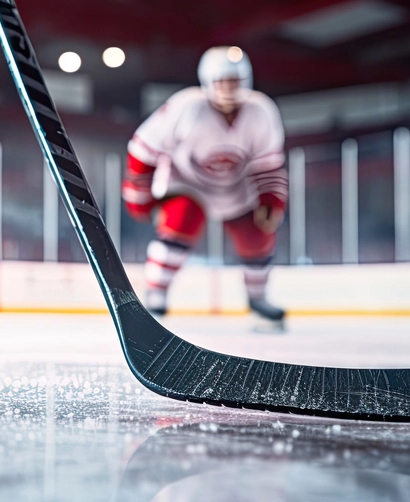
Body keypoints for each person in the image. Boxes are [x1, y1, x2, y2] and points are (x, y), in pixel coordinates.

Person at [122, 46, 287, 327]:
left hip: (237, 187)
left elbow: (268, 163)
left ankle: (258, 298)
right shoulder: (186, 106)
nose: (228, 89)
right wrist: (139, 196)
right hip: (187, 182)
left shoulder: (261, 110)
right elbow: (143, 148)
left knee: (257, 236)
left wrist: (271, 199)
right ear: (207, 81)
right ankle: (156, 294)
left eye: (234, 81)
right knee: (179, 222)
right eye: (222, 81)